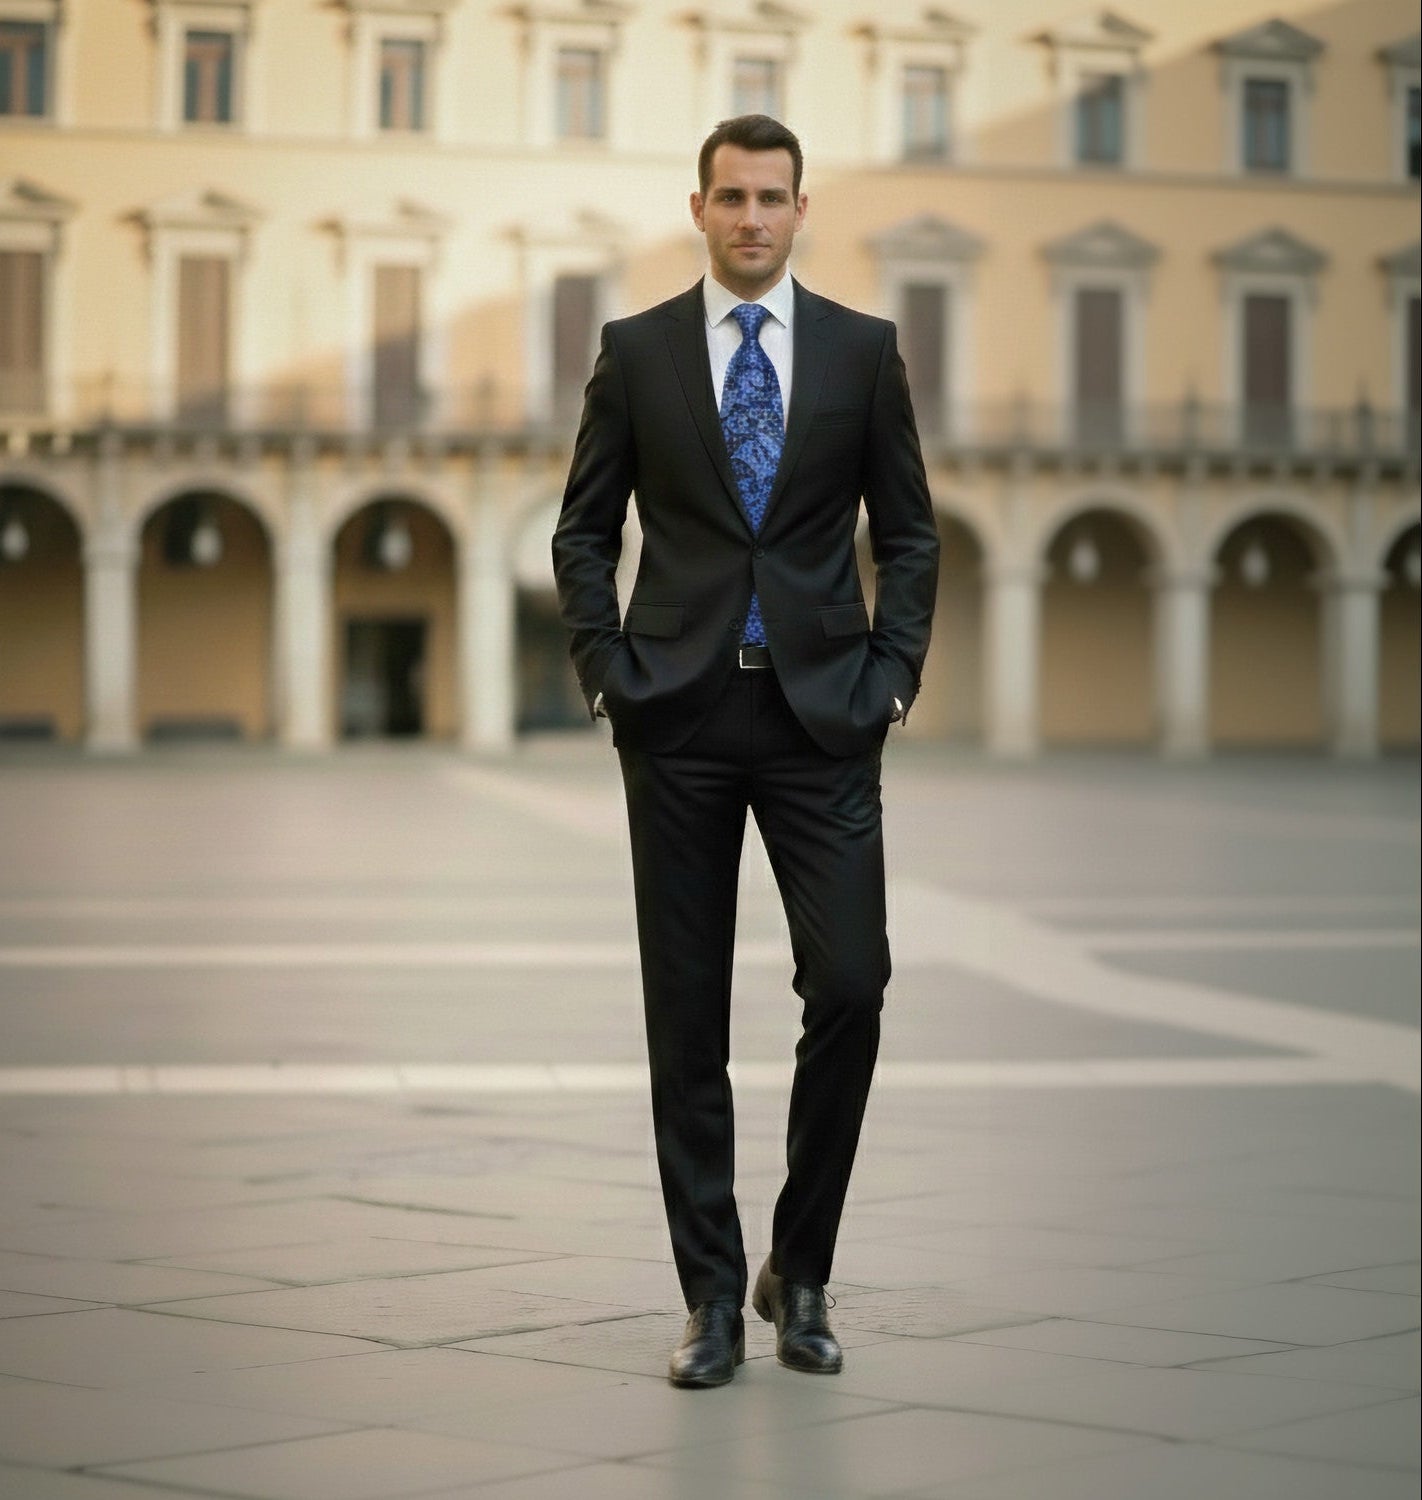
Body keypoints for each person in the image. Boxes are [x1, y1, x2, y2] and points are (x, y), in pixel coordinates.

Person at [552, 114, 939, 1388]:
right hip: (679, 717)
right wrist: (609, 671)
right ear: (700, 209)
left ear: (801, 209)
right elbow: (583, 530)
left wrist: (891, 677)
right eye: (733, 197)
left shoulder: (864, 352)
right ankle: (712, 1298)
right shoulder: (639, 352)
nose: (753, 217)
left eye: (773, 197)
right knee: (686, 1018)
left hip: (826, 716)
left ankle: (801, 1269)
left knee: (854, 986)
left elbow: (911, 534)